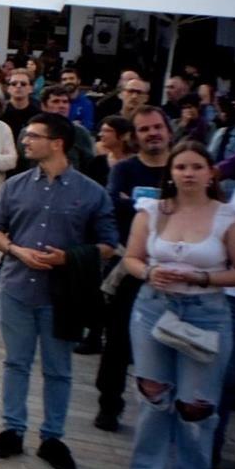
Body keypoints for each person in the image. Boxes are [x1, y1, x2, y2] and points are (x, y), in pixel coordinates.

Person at [0, 112, 119, 469]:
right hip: (15, 287)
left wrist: (69, 258)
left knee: (59, 368)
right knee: (16, 362)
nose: (25, 141)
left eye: (33, 136)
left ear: (57, 142)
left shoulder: (91, 192)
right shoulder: (16, 185)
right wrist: (14, 250)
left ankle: (53, 437)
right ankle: (13, 429)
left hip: (62, 294)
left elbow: (108, 243)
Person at [115, 143, 235, 469]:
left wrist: (203, 277)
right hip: (155, 307)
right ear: (170, 172)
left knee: (196, 405)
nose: (188, 173)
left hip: (206, 313)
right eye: (181, 166)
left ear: (209, 173)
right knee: (153, 394)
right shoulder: (152, 211)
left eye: (196, 167)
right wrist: (150, 272)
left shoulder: (227, 218)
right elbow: (132, 258)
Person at [99, 106, 175, 432]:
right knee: (118, 338)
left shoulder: (182, 167)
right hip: (131, 264)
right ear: (136, 136)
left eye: (157, 127)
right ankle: (109, 404)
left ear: (168, 131)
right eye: (144, 129)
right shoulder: (126, 169)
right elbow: (115, 208)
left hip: (175, 268)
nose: (152, 133)